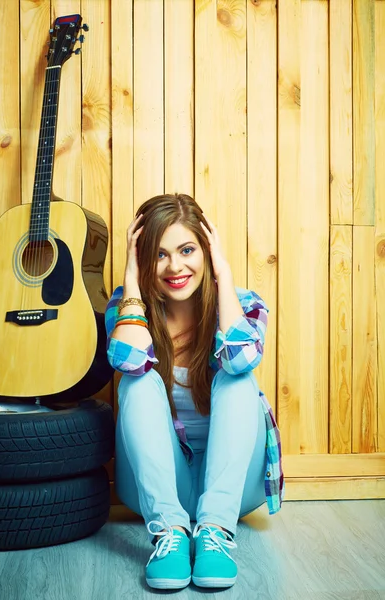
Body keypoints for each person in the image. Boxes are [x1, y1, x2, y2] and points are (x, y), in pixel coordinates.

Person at [105, 193, 284, 590]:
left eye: (187, 250)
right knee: (137, 379)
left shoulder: (244, 306)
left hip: (235, 488)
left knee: (238, 378)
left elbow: (241, 358)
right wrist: (131, 280)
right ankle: (170, 534)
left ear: (206, 250)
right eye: (159, 255)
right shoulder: (127, 309)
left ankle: (215, 533)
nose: (175, 266)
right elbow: (128, 361)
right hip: (157, 490)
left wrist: (224, 277)